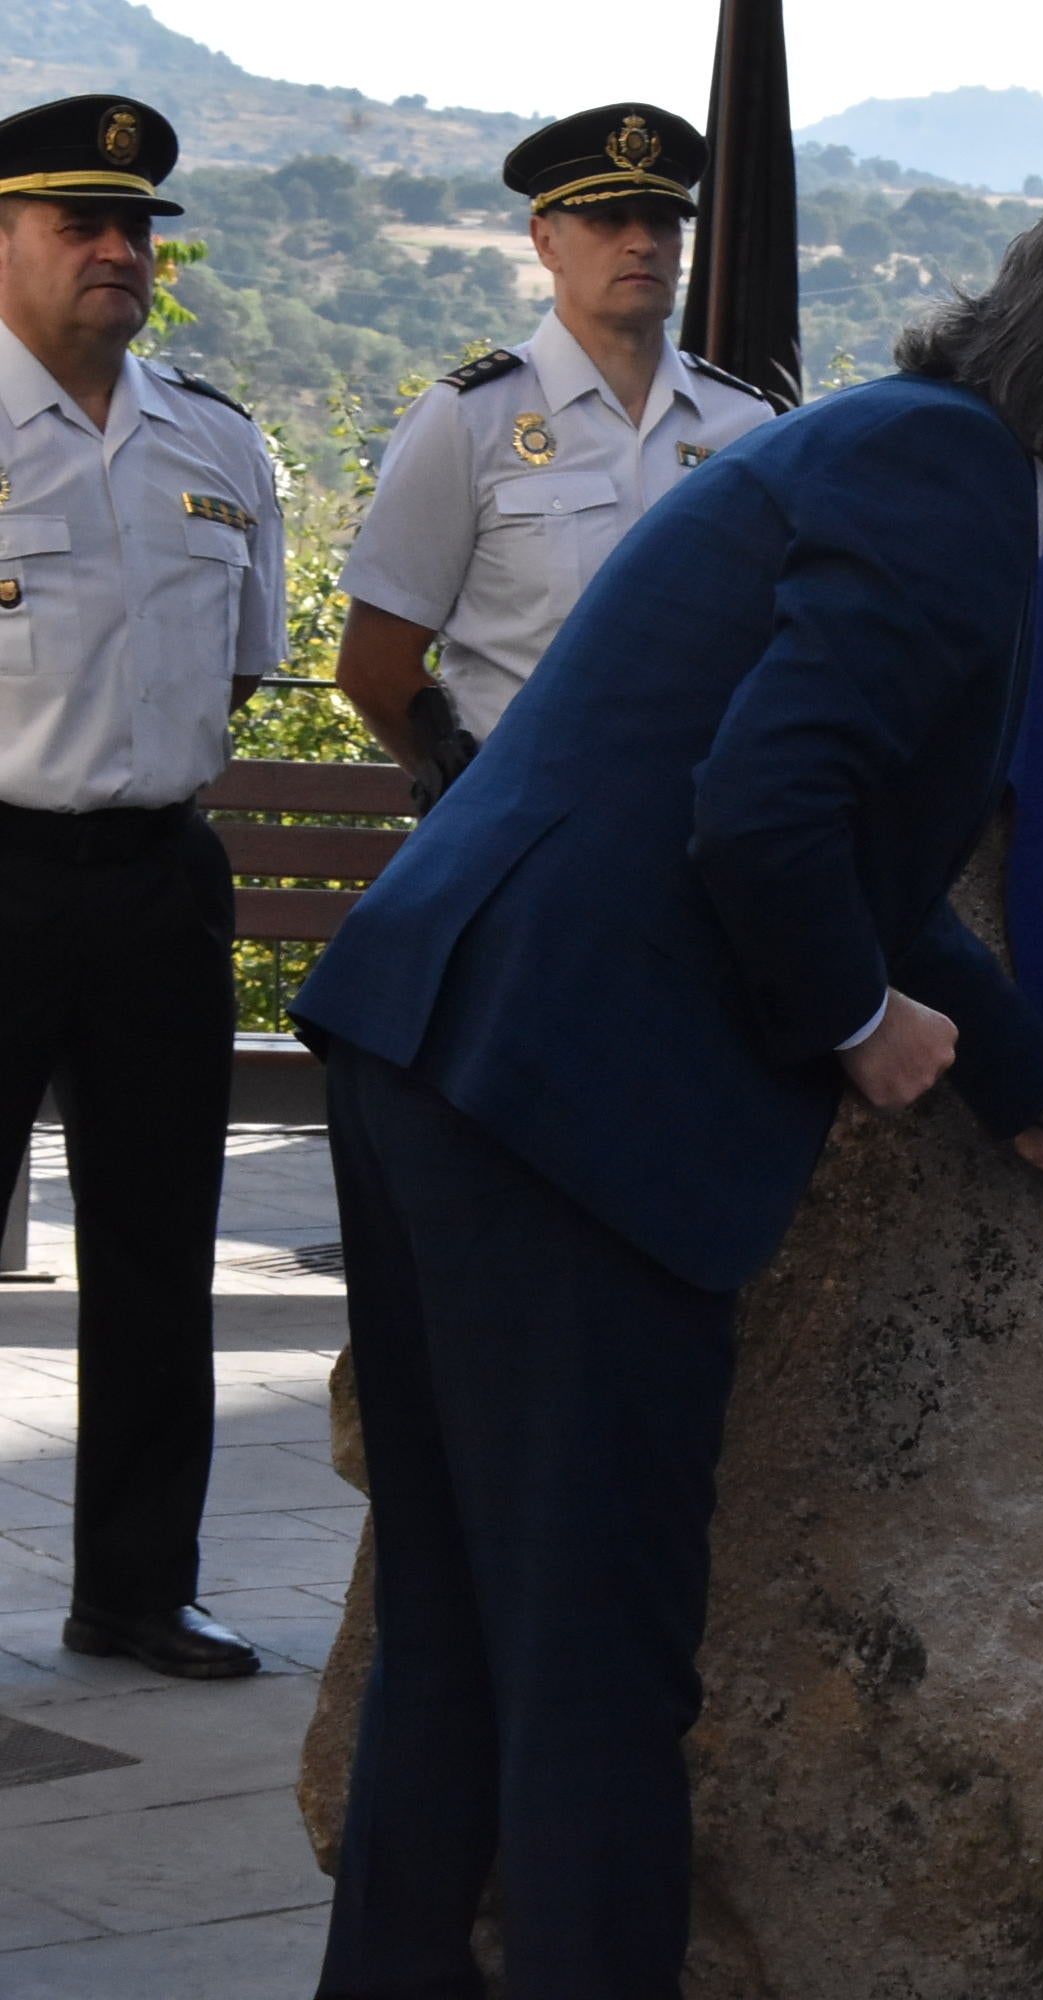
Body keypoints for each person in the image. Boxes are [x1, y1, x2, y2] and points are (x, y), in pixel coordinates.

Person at [290, 175, 1043, 1996]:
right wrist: (858, 1022)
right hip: (572, 1095)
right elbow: (769, 809)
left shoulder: (901, 445)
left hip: (449, 1036)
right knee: (595, 1658)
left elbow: (863, 851)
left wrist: (1022, 1071)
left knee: (462, 1621)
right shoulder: (947, 482)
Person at [0, 95, 284, 1681]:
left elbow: (237, 668)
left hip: (158, 882)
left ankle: (134, 1589)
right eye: (79, 223)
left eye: (137, 229)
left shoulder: (215, 441)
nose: (118, 250)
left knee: (161, 1250)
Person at [334, 103, 776, 809]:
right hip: (529, 816)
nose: (642, 243)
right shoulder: (469, 417)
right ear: (545, 241)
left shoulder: (747, 422)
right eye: (608, 220)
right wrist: (475, 807)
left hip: (703, 820)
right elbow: (374, 666)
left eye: (662, 221)